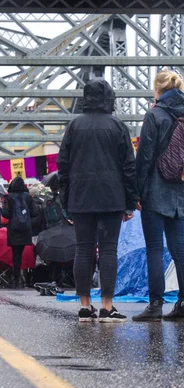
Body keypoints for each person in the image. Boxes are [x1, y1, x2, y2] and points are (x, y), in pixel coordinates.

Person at [57, 78, 137, 323]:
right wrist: (130, 201)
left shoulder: (74, 126)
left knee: (83, 249)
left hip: (80, 199)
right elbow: (129, 167)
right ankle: (107, 306)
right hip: (111, 198)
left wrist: (66, 201)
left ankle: (84, 305)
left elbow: (63, 166)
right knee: (109, 250)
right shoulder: (117, 126)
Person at [133, 70, 184, 321]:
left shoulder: (154, 115)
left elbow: (144, 157)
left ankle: (155, 305)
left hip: (154, 190)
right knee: (180, 250)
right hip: (180, 194)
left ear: (157, 90)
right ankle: (183, 304)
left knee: (154, 249)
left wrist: (136, 193)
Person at [2, 177, 38, 289]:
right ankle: (23, 276)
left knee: (15, 254)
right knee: (21, 254)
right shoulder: (28, 197)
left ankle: (16, 277)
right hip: (25, 230)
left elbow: (6, 214)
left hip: (13, 229)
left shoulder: (9, 197)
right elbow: (35, 212)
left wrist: (4, 209)